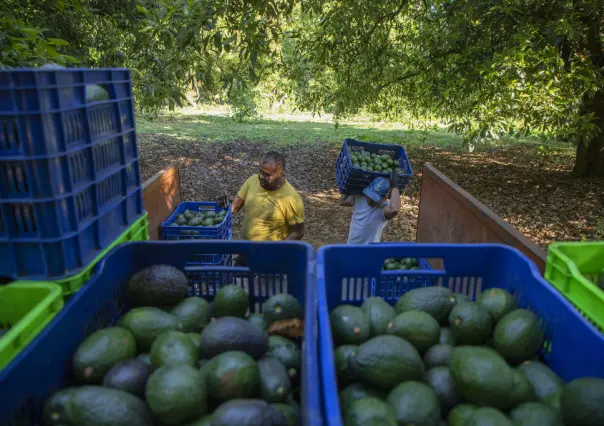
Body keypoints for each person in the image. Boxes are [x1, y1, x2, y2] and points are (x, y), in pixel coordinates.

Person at [218, 152, 305, 263]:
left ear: (280, 174)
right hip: (246, 249)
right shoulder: (252, 181)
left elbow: (298, 232)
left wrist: (279, 251)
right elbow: (234, 207)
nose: (261, 177)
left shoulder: (291, 198)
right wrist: (224, 204)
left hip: (270, 257)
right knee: (237, 278)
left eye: (267, 175)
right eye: (260, 172)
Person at [339, 172, 401, 244]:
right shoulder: (361, 196)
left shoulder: (383, 208)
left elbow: (394, 210)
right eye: (370, 195)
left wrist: (395, 186)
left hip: (370, 251)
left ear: (385, 198)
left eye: (375, 198)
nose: (370, 199)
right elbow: (342, 201)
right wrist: (350, 184)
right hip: (351, 246)